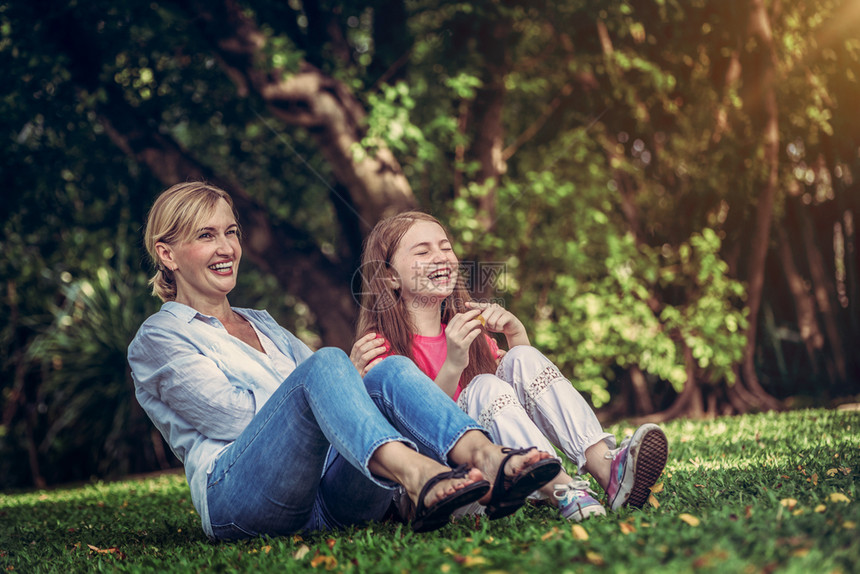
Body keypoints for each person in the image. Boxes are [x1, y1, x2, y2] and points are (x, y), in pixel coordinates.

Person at [127, 182, 563, 541]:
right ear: (167, 254)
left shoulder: (263, 324)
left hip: (332, 498)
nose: (227, 247)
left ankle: (487, 457)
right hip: (243, 503)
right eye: (207, 236)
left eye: (232, 232)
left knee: (385, 369)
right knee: (329, 364)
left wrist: (342, 385)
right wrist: (328, 388)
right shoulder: (160, 338)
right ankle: (420, 475)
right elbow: (234, 419)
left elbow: (327, 391)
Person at [351, 211, 668, 522]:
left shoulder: (472, 334)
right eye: (423, 251)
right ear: (390, 276)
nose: (440, 256)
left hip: (499, 473)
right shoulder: (379, 347)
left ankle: (605, 467)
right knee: (483, 386)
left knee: (519, 358)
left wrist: (518, 337)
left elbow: (529, 399)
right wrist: (453, 365)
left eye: (445, 247)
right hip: (440, 488)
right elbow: (409, 434)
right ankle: (562, 487)